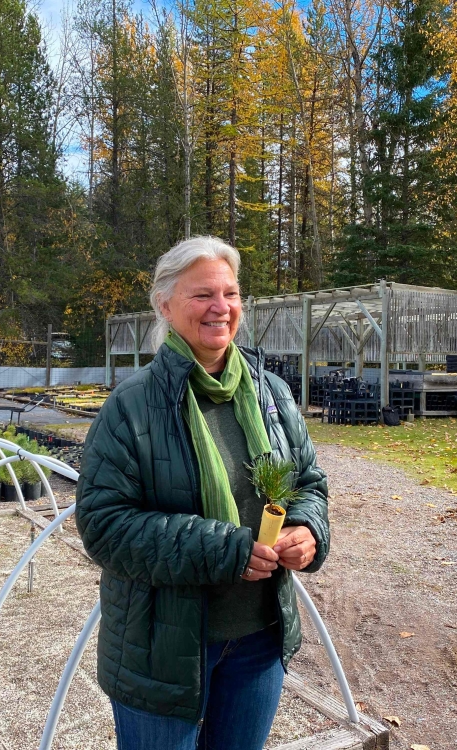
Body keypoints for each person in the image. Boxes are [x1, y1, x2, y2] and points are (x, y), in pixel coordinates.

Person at [75, 236, 329, 750]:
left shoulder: (270, 394)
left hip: (258, 640)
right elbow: (104, 526)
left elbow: (308, 483)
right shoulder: (133, 405)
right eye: (202, 295)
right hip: (161, 652)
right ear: (165, 306)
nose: (221, 308)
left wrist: (308, 530)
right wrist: (224, 550)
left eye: (231, 293)